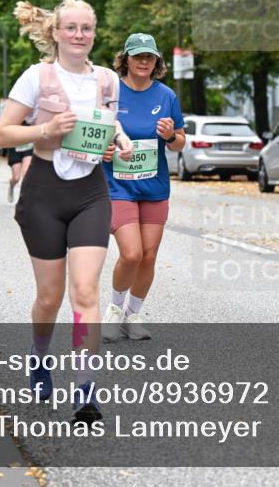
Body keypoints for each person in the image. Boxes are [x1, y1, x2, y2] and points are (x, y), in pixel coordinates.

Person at [0, 0, 132, 423]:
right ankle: (39, 358)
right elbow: (3, 133)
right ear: (55, 33)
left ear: (94, 33)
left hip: (91, 192)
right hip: (43, 193)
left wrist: (121, 144)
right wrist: (45, 129)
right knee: (50, 298)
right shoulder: (37, 76)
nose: (79, 35)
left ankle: (85, 391)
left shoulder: (108, 80)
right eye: (70, 28)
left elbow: (110, 126)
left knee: (86, 292)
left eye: (86, 28)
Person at [100, 33, 185, 342]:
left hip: (154, 186)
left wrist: (169, 136)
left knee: (149, 255)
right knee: (132, 253)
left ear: (156, 62)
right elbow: (94, 133)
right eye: (138, 56)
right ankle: (113, 310)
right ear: (126, 59)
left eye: (149, 57)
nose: (144, 61)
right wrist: (104, 150)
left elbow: (179, 142)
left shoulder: (166, 96)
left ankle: (133, 316)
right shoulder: (111, 92)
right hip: (118, 185)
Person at [6, 119, 35, 203]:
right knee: (16, 178)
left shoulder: (33, 114)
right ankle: (11, 186)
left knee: (26, 173)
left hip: (28, 147)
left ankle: (23, 198)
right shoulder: (15, 116)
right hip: (15, 148)